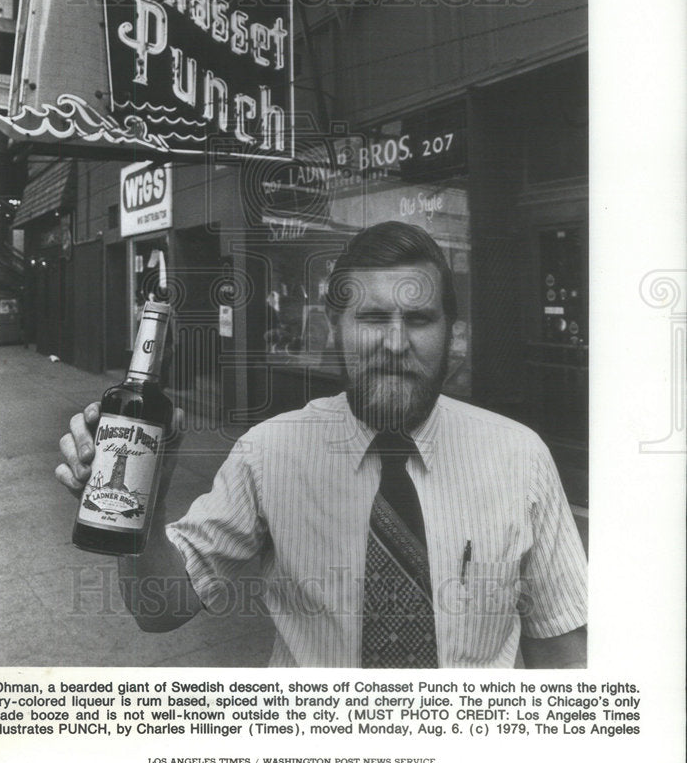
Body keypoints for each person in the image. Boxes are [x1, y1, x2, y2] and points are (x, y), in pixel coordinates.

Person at [57, 221, 587, 668]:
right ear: (336, 330)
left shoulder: (522, 459)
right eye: (373, 318)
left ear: (454, 333)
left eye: (420, 319)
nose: (396, 343)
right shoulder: (270, 455)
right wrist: (143, 500)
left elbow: (563, 656)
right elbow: (160, 609)